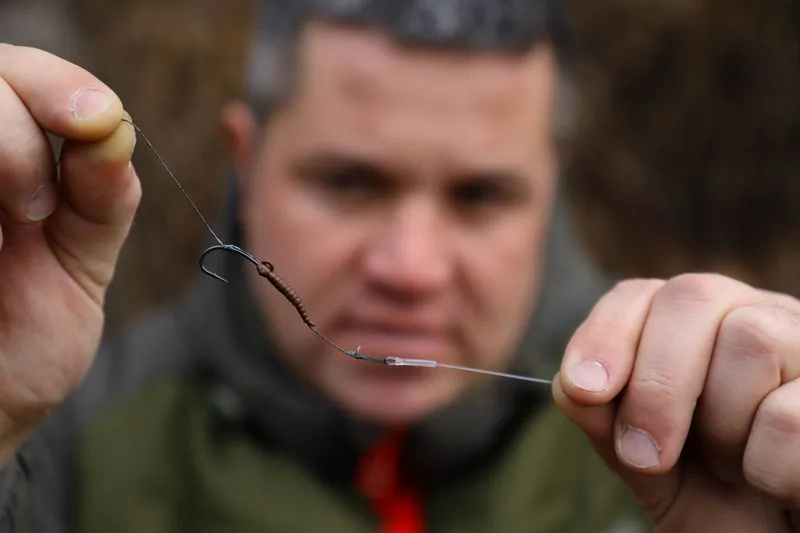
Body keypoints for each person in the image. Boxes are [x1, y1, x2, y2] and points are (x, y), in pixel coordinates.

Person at [0, 0, 798, 531]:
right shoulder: (53, 447)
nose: (410, 268)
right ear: (247, 160)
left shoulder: (692, 444)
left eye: (480, 195)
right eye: (349, 182)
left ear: (549, 189)